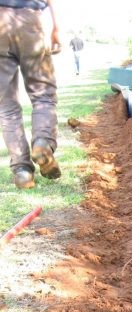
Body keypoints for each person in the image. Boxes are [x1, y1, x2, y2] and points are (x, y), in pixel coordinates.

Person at [0, 0, 61, 189]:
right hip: (30, 19)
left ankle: (22, 172)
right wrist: (56, 28)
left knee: (6, 106)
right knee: (43, 95)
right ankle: (42, 142)